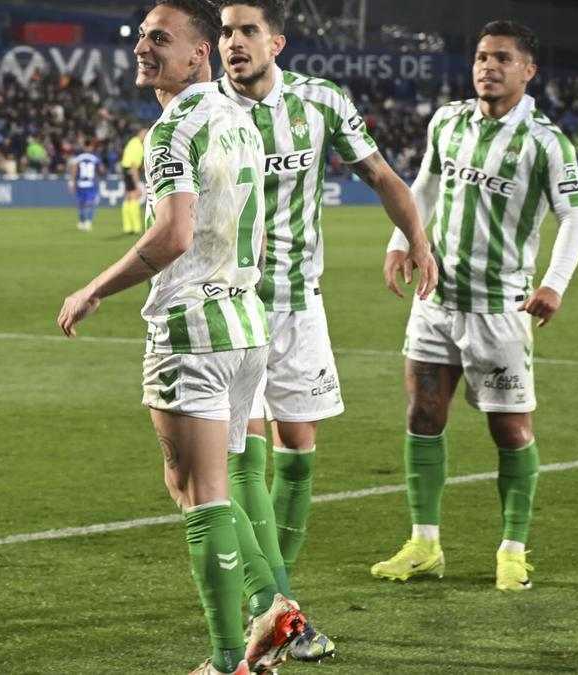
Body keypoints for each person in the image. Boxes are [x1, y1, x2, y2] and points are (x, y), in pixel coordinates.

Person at [58, 2, 322, 673]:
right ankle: (273, 606)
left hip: (191, 329)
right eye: (143, 36)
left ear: (197, 54)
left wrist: (93, 289)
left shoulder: (174, 129)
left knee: (195, 492)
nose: (144, 47)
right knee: (213, 483)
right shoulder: (239, 119)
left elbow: (173, 234)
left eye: (161, 39)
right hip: (244, 325)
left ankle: (228, 654)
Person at [214, 0, 437, 592]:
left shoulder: (321, 101)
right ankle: (272, 601)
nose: (234, 42)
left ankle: (277, 592)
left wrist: (417, 240)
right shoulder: (203, 108)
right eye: (226, 32)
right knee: (245, 448)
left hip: (300, 300)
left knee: (300, 443)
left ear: (276, 42)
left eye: (247, 31)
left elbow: (385, 178)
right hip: (231, 303)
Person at [372, 20, 578, 592]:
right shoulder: (448, 120)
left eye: (502, 58)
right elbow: (423, 184)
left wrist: (555, 283)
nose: (487, 67)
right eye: (481, 57)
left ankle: (512, 550)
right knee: (422, 416)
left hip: (500, 308)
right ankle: (424, 544)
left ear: (528, 70)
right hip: (436, 297)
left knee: (510, 430)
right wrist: (401, 242)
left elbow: (573, 217)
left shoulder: (546, 142)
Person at [67, 143, 103, 231]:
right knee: (91, 204)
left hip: (81, 184)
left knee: (81, 204)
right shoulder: (95, 158)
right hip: (90, 184)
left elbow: (74, 170)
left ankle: (82, 222)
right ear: (90, 147)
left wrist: (72, 182)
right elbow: (101, 170)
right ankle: (88, 222)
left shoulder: (78, 158)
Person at [119, 125, 146, 234]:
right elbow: (134, 166)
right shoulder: (137, 145)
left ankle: (127, 226)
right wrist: (137, 184)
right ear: (140, 132)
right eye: (145, 133)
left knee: (128, 199)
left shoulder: (132, 142)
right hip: (131, 172)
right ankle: (136, 227)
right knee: (134, 196)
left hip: (125, 171)